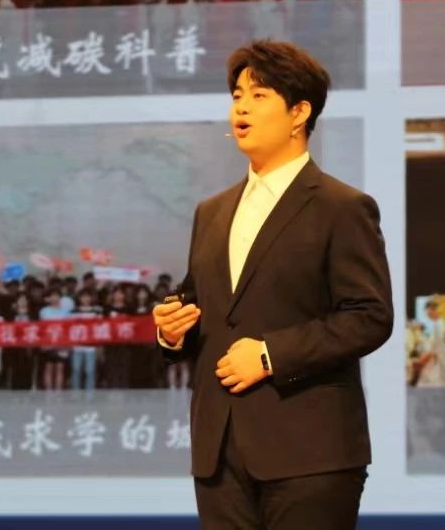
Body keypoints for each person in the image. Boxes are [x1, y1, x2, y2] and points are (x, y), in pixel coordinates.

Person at [154, 40, 392, 530]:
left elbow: (369, 317)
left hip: (310, 450)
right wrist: (172, 331)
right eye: (237, 95)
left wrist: (269, 355)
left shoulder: (341, 207)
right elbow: (202, 307)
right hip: (219, 452)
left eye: (259, 95)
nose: (241, 107)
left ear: (299, 113)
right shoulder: (211, 211)